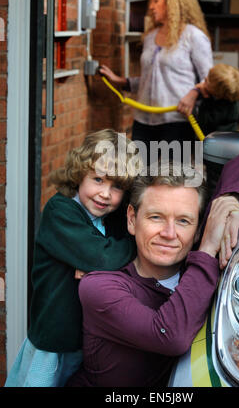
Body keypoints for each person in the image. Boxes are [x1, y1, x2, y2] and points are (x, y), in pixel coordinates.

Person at [66, 152, 239, 388]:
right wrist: (207, 248)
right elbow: (171, 336)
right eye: (156, 217)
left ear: (199, 229)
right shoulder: (100, 286)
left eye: (183, 221)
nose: (169, 234)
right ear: (132, 219)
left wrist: (228, 199)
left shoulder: (198, 264)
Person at [5, 129, 138, 387]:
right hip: (53, 341)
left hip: (87, 341)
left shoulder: (113, 217)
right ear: (79, 174)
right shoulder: (60, 210)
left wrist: (100, 265)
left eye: (117, 186)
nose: (105, 194)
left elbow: (104, 259)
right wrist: (119, 254)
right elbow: (103, 257)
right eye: (98, 179)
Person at [99, 0, 213, 152]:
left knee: (171, 178)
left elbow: (211, 81)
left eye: (156, 1)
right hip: (143, 123)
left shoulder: (194, 36)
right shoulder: (150, 37)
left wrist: (194, 92)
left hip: (177, 123)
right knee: (138, 177)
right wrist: (121, 81)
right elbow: (151, 79)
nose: (151, 6)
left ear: (173, 2)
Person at [177, 63, 239, 135]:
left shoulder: (224, 109)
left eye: (207, 81)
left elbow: (203, 121)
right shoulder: (221, 96)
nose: (205, 79)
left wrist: (194, 109)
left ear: (217, 94)